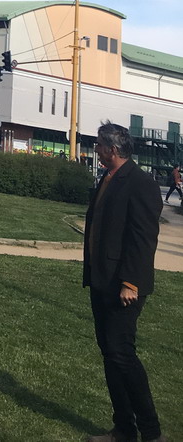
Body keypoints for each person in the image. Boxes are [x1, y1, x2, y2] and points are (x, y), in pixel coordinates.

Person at [83, 122, 165, 442]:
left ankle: (151, 433)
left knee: (122, 354)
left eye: (99, 145)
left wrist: (131, 281)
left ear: (112, 149)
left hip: (124, 284)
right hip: (102, 280)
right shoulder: (108, 177)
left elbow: (143, 239)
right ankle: (124, 429)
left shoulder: (141, 183)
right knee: (110, 354)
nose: (96, 149)